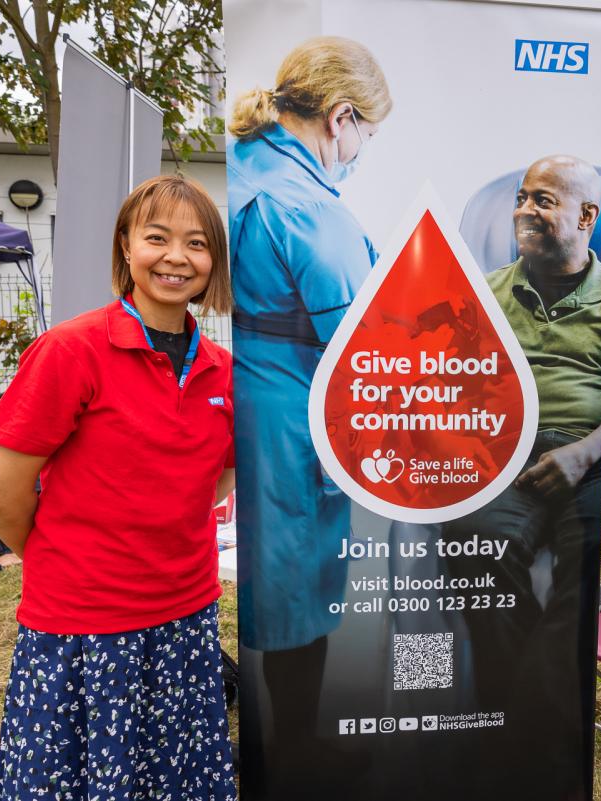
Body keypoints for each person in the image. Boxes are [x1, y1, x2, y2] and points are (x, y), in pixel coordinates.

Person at [0, 174, 236, 801]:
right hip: (83, 625)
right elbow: (0, 492)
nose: (177, 257)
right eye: (157, 238)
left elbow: (216, 482)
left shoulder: (223, 369)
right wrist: (61, 558)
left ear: (213, 264)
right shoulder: (71, 351)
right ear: (126, 247)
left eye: (197, 244)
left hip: (184, 615)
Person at [225, 35, 392, 794]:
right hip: (295, 412)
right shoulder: (305, 207)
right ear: (341, 116)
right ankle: (296, 758)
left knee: (284, 583)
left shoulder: (249, 167)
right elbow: (362, 341)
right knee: (297, 591)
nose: (362, 150)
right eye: (367, 134)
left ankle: (285, 746)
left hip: (267, 394)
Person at [445, 154, 601, 801]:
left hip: (592, 453)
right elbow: (451, 387)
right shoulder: (484, 292)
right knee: (476, 542)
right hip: (505, 451)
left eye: (543, 200)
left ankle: (520, 736)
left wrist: (583, 453)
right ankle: (521, 722)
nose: (523, 210)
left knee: (586, 560)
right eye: (521, 197)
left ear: (586, 217)